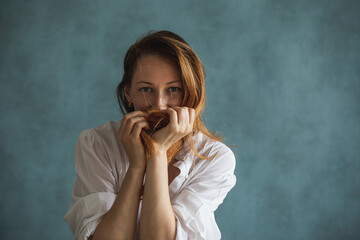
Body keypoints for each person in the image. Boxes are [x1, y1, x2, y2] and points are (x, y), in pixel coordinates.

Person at [64, 30, 236, 240]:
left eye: (173, 89)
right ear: (128, 93)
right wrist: (136, 168)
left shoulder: (214, 157)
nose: (160, 104)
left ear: (191, 92)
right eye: (146, 89)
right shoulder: (97, 143)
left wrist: (157, 152)